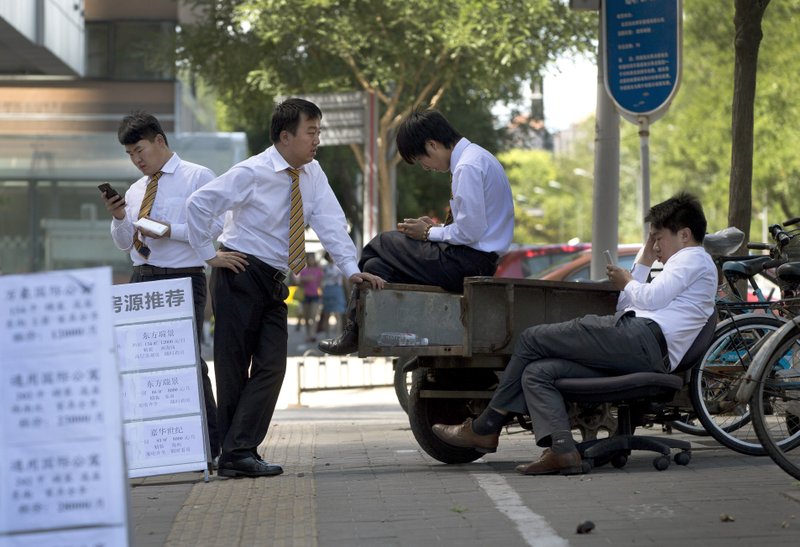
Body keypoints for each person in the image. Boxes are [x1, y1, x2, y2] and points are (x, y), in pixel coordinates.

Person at [432, 192, 717, 475]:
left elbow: (649, 298)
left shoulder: (693, 258)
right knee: (538, 372)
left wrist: (627, 281)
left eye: (659, 238)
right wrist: (641, 259)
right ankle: (562, 450)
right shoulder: (680, 265)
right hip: (636, 345)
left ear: (684, 235)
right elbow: (627, 302)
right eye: (652, 239)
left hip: (641, 340)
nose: (655, 246)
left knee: (532, 338)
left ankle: (485, 427)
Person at [185, 97, 384, 478]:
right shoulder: (251, 172)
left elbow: (330, 222)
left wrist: (351, 268)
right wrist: (208, 255)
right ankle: (237, 454)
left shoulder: (312, 174)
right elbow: (199, 204)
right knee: (232, 368)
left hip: (275, 279)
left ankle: (236, 450)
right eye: (311, 133)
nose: (317, 140)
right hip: (239, 272)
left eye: (319, 132)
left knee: (273, 365)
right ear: (284, 136)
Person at [319, 108, 515, 355]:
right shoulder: (478, 158)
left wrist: (428, 233)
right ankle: (364, 327)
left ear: (432, 145)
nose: (426, 167)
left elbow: (471, 232)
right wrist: (435, 229)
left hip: (466, 262)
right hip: (469, 258)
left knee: (383, 242)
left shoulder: (468, 167)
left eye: (421, 160)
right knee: (376, 267)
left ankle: (354, 329)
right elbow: (473, 226)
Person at [101, 111, 221, 462]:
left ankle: (213, 447)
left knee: (189, 363)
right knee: (142, 365)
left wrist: (172, 230)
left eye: (140, 150)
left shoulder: (197, 176)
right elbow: (126, 244)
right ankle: (152, 450)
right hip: (142, 278)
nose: (137, 160)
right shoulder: (136, 190)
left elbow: (214, 229)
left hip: (182, 277)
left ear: (159, 141)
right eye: (130, 155)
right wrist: (120, 217)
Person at [317, 252, 348, 338]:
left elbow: (345, 280)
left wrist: (348, 291)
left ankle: (338, 336)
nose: (331, 257)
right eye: (329, 255)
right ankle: (328, 336)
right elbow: (320, 279)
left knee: (338, 314)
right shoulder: (324, 267)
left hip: (338, 289)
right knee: (327, 314)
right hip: (327, 290)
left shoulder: (340, 266)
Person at [298, 253, 324, 342]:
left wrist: (321, 293)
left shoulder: (318, 270)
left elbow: (321, 283)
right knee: (306, 317)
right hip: (305, 295)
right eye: (309, 258)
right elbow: (299, 283)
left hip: (315, 296)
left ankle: (313, 335)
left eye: (312, 258)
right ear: (307, 260)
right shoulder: (303, 271)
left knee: (313, 315)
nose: (311, 260)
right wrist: (304, 279)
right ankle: (308, 334)